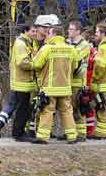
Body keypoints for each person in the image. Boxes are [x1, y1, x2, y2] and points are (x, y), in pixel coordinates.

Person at [30, 14, 76, 144]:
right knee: (67, 111)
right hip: (66, 87)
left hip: (50, 88)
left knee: (47, 111)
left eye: (48, 33)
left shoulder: (47, 49)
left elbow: (36, 64)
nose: (46, 35)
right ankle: (72, 136)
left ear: (53, 34)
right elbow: (75, 65)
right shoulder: (71, 49)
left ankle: (43, 137)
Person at [0, 23, 39, 142]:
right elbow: (22, 62)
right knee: (21, 109)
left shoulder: (29, 42)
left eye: (36, 31)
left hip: (26, 83)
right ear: (25, 31)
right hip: (21, 82)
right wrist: (36, 65)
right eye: (33, 31)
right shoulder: (20, 43)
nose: (35, 33)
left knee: (20, 108)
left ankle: (18, 131)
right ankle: (18, 133)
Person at [66, 20, 92, 140]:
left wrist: (69, 51)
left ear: (78, 31)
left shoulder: (84, 45)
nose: (68, 31)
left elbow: (75, 57)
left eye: (71, 29)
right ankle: (71, 132)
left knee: (79, 108)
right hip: (67, 81)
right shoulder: (67, 42)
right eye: (69, 29)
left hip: (78, 81)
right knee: (69, 108)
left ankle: (81, 134)